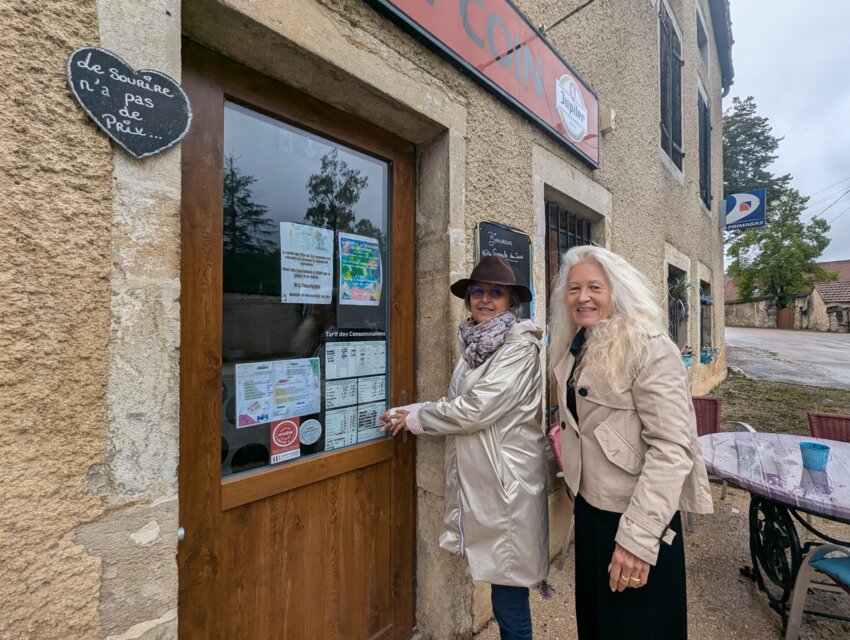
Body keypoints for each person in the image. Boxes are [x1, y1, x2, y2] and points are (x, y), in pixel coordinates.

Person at [548, 245, 713, 639]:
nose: (582, 297)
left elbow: (673, 449)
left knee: (637, 627)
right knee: (598, 623)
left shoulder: (649, 346)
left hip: (636, 517)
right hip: (590, 511)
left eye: (594, 287)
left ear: (617, 290)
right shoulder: (576, 347)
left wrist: (638, 541)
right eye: (573, 289)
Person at [381, 256, 547, 640]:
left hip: (508, 487)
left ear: (510, 302)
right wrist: (416, 409)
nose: (484, 299)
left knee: (508, 595)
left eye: (495, 292)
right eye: (478, 291)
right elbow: (461, 401)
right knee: (503, 584)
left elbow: (476, 409)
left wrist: (419, 417)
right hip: (487, 483)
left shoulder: (519, 348)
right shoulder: (475, 344)